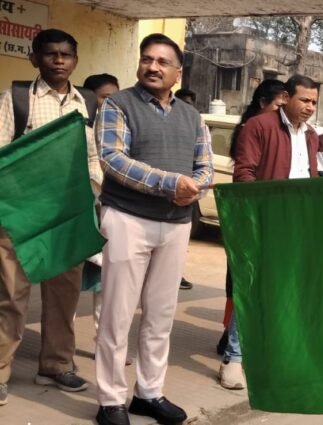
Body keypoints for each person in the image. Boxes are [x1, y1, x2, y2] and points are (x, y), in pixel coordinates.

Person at [94, 33, 213, 425]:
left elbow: (205, 167)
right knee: (117, 314)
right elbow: (113, 159)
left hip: (175, 224)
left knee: (160, 315)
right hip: (127, 218)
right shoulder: (117, 104)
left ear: (178, 73)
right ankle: (111, 400)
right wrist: (170, 184)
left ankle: (149, 393)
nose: (153, 66)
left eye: (163, 62)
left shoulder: (192, 116)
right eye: (147, 59)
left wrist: (193, 189)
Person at [0, 28, 103, 407]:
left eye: (66, 54)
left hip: (67, 215)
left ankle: (56, 365)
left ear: (75, 60)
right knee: (11, 295)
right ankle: (0, 370)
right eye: (50, 54)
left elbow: (93, 156)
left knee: (64, 295)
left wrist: (92, 191)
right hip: (21, 216)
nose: (59, 60)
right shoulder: (16, 99)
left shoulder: (87, 103)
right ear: (35, 59)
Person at [220, 75, 319, 390]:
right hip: (263, 223)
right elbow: (244, 173)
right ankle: (234, 359)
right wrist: (258, 217)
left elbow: (311, 179)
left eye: (314, 102)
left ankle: (272, 356)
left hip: (298, 226)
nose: (310, 107)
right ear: (287, 97)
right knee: (253, 289)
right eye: (304, 100)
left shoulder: (312, 136)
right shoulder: (259, 126)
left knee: (286, 292)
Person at [217, 78, 287, 357]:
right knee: (244, 280)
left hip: (271, 218)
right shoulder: (253, 129)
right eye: (279, 106)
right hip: (251, 214)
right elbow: (246, 174)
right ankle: (233, 345)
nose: (282, 112)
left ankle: (234, 338)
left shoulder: (284, 133)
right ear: (263, 103)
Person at [81, 74, 132, 366]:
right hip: (82, 217)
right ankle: (60, 350)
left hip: (111, 218)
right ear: (90, 99)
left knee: (106, 288)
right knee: (65, 290)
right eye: (104, 97)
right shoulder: (80, 131)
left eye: (116, 97)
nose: (111, 103)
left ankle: (107, 347)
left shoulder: (122, 132)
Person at [173, 88, 202, 291]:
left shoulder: (195, 123)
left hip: (188, 191)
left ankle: (177, 273)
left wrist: (197, 187)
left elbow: (204, 163)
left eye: (190, 104)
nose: (186, 108)